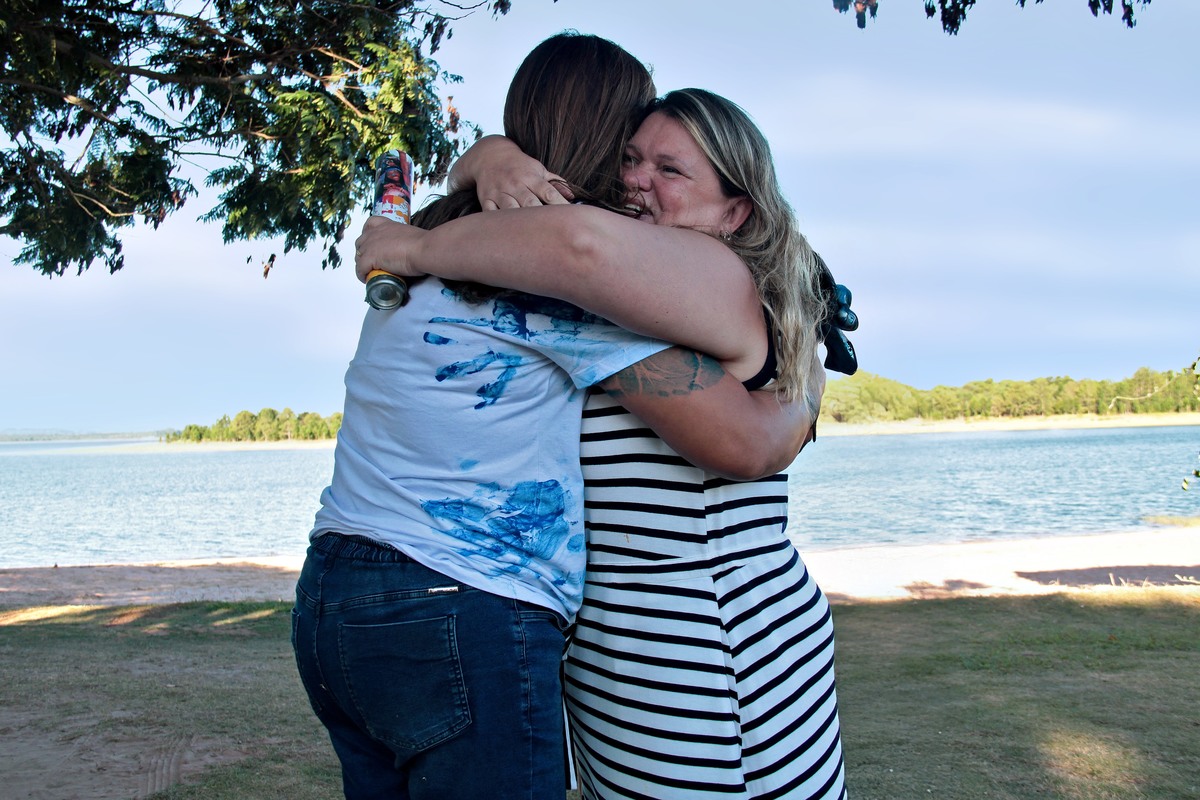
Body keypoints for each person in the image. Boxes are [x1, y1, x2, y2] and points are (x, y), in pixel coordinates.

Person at [296, 34, 816, 800]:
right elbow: (742, 432)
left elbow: (741, 434)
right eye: (629, 154)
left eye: (667, 167)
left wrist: (475, 171)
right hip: (461, 605)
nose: (634, 179)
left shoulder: (446, 239)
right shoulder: (554, 277)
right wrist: (805, 392)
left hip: (336, 594)